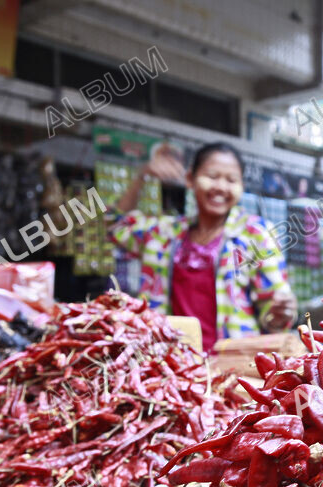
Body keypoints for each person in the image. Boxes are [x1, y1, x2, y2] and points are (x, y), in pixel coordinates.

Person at [110, 142, 297, 353]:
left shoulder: (256, 235)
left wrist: (281, 313)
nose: (221, 186)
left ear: (241, 187)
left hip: (233, 366)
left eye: (231, 180)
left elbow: (273, 318)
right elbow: (117, 225)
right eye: (212, 176)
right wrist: (142, 175)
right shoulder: (164, 234)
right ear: (190, 179)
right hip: (170, 364)